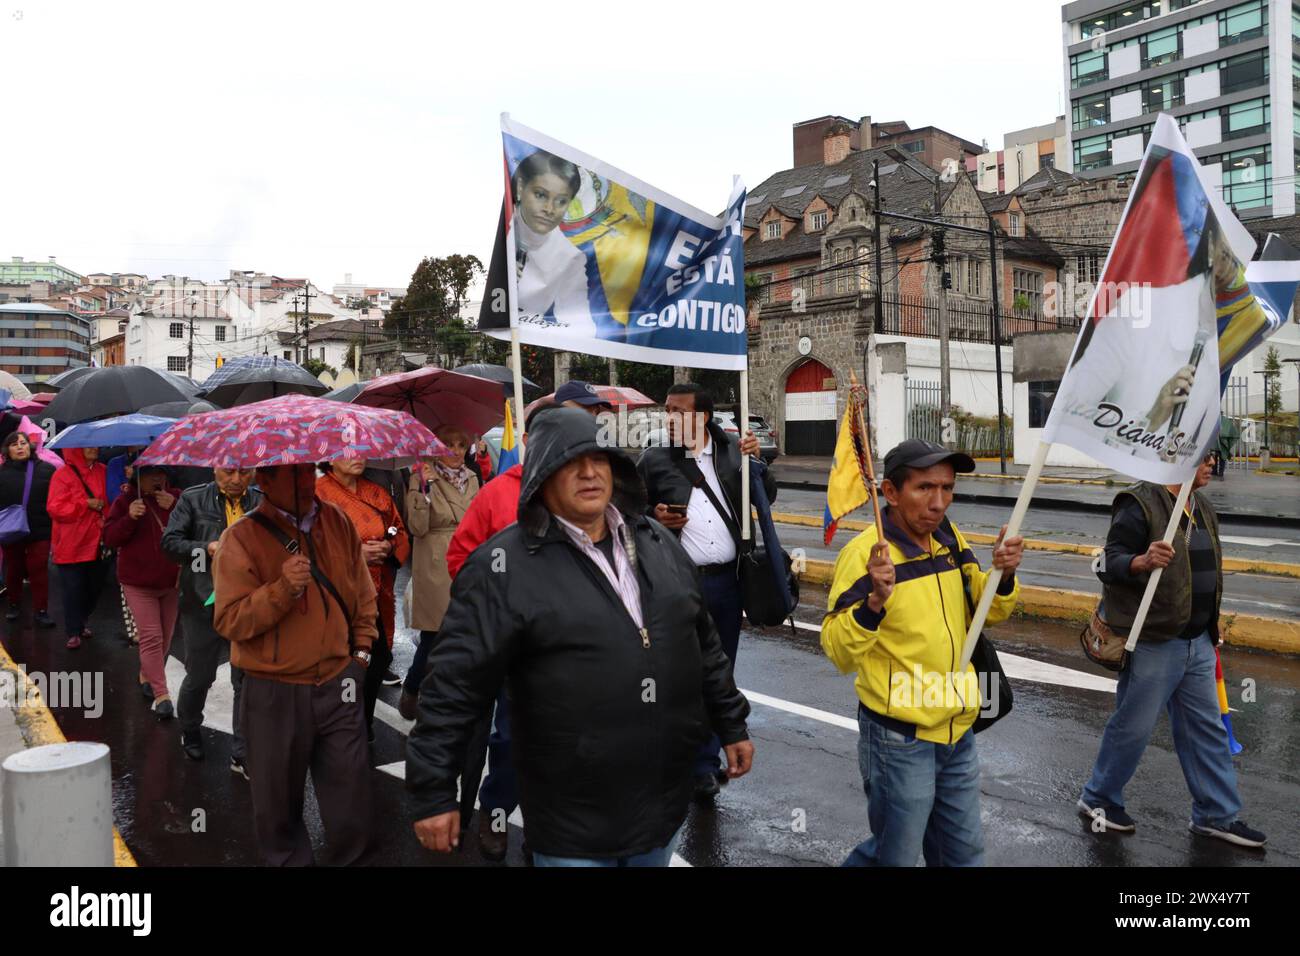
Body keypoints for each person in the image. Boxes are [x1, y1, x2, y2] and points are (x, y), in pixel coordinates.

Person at [407, 407, 753, 866]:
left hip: (660, 806)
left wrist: (730, 724)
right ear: (543, 474)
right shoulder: (503, 567)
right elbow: (454, 684)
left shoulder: (657, 543)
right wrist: (433, 791)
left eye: (600, 459)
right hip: (571, 819)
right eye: (571, 462)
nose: (589, 473)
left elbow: (703, 644)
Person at [821, 439, 1024, 867]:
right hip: (900, 739)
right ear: (891, 493)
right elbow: (838, 650)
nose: (938, 503)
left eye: (947, 489)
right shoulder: (865, 556)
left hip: (957, 732)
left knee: (963, 857)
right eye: (925, 488)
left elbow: (984, 612)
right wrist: (873, 603)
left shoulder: (949, 539)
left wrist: (1002, 576)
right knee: (893, 857)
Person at [1078, 452, 1267, 848]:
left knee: (1207, 732)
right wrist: (1141, 561)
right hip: (1153, 641)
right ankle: (1098, 801)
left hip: (1197, 641)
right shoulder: (1139, 503)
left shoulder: (1202, 507)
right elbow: (1107, 562)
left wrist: (1211, 624)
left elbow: (1206, 571)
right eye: (1204, 456)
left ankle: (1216, 815)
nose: (1212, 463)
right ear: (1179, 459)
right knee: (1133, 728)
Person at [212, 463, 379, 866]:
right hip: (273, 692)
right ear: (264, 482)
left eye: (308, 471)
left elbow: (362, 595)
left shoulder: (336, 520)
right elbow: (229, 620)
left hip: (340, 683)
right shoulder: (241, 537)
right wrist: (283, 589)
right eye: (293, 474)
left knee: (351, 804)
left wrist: (360, 657)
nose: (306, 481)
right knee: (277, 811)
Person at [439, 398, 574, 861]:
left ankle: (551, 830)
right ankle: (494, 816)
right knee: (511, 737)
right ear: (530, 441)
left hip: (571, 648)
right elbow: (460, 558)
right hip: (512, 647)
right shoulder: (498, 493)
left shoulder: (583, 494)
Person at [636, 382, 776, 801]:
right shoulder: (654, 460)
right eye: (668, 410)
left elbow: (765, 496)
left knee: (720, 674)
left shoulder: (733, 453)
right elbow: (626, 513)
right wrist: (653, 515)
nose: (671, 418)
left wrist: (758, 464)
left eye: (680, 411)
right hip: (677, 585)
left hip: (726, 583)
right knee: (678, 675)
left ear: (704, 418)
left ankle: (705, 762)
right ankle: (676, 756)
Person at [164, 467, 261, 771]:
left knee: (244, 679)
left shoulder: (261, 502)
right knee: (200, 676)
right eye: (229, 471)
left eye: (244, 473)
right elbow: (170, 544)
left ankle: (242, 751)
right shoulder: (193, 500)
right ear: (216, 467)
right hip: (202, 603)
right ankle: (190, 728)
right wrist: (205, 548)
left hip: (246, 604)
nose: (236, 480)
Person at [315, 457, 410, 742]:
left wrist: (389, 544)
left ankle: (362, 720)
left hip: (377, 594)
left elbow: (397, 528)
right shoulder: (316, 496)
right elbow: (310, 544)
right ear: (330, 457)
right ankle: (338, 725)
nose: (357, 457)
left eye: (361, 450)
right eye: (347, 451)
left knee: (378, 657)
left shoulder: (376, 492)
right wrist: (356, 554)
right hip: (337, 597)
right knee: (344, 663)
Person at [398, 425, 480, 721]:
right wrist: (424, 487)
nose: (456, 451)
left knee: (464, 634)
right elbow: (417, 527)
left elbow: (479, 518)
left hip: (468, 560)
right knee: (435, 636)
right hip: (436, 563)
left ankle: (449, 695)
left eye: (461, 444)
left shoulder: (472, 477)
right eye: (449, 444)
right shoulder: (421, 476)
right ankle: (413, 687)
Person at [103, 465, 182, 717]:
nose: (158, 478)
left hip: (171, 581)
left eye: (162, 473)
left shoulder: (179, 498)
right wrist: (129, 517)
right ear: (138, 477)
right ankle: (162, 695)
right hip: (137, 583)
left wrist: (175, 508)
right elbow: (110, 538)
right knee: (151, 637)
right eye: (150, 474)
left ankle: (146, 674)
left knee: (166, 637)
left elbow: (192, 531)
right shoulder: (125, 500)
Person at [510, 149, 596, 335]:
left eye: (561, 201)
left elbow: (581, 325)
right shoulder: (504, 229)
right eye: (540, 195)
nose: (549, 209)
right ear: (520, 187)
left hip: (524, 340)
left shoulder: (570, 257)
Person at [46, 446, 109, 651]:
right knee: (72, 589)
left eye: (95, 445)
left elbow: (110, 502)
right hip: (71, 543)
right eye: (87, 446)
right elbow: (55, 508)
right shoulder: (61, 475)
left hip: (97, 541)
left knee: (95, 587)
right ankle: (74, 630)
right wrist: (85, 504)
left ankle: (81, 620)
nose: (94, 448)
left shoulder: (103, 470)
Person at [0, 432, 57, 627]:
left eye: (23, 443)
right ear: (7, 450)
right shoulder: (1, 473)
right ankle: (14, 604)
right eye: (14, 444)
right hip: (11, 530)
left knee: (38, 568)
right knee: (14, 568)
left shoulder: (47, 470)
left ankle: (41, 610)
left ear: (30, 446)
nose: (20, 447)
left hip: (39, 529)